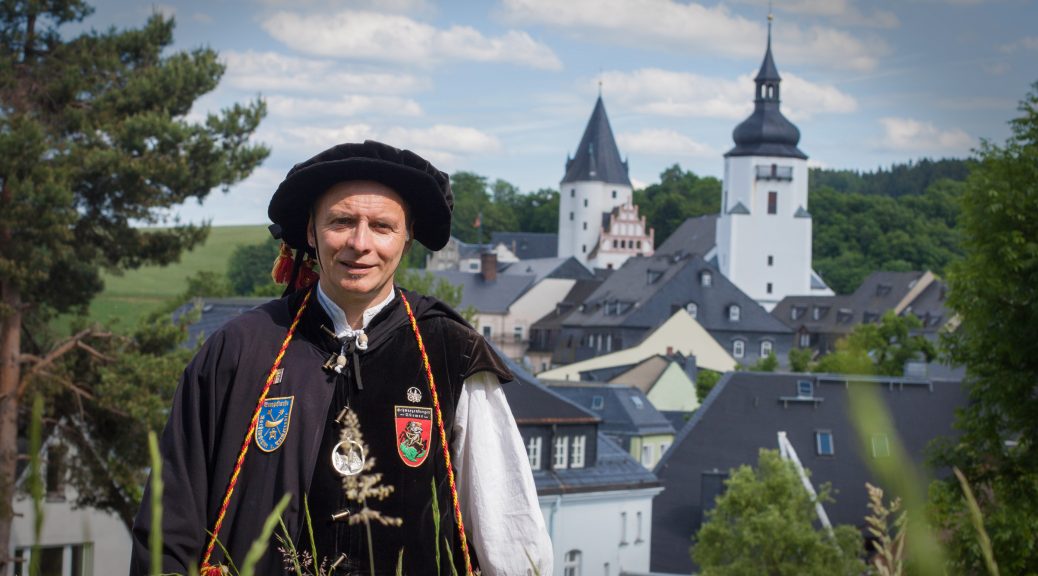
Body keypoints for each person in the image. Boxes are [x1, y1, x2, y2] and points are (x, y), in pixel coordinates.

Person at [130, 141, 553, 575]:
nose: (360, 243)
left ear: (407, 238)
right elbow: (170, 525)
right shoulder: (241, 348)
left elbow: (508, 531)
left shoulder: (451, 352)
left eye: (382, 226)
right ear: (311, 233)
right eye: (342, 222)